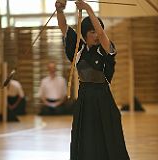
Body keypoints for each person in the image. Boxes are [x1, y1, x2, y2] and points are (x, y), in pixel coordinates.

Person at [55, 0, 130, 160]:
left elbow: (102, 34)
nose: (97, 35)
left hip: (103, 99)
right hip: (84, 99)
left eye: (98, 31)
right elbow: (64, 28)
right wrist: (60, 10)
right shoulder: (79, 49)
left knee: (108, 139)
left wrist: (87, 8)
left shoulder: (105, 50)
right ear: (85, 34)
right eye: (92, 32)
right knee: (86, 139)